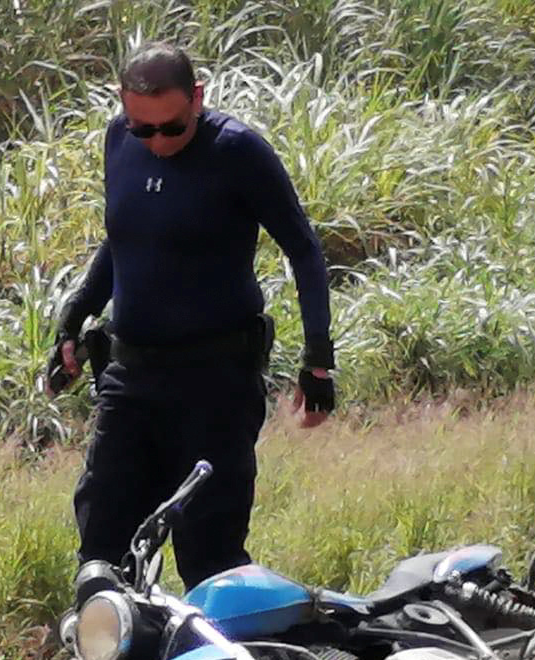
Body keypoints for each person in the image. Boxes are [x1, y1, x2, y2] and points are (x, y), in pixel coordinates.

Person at [50, 42, 336, 592]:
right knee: (105, 544)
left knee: (209, 553)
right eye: (143, 129)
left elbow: (303, 249)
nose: (157, 142)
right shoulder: (118, 142)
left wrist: (317, 361)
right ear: (123, 108)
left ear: (198, 98)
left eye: (172, 128)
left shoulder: (238, 152)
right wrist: (75, 314)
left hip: (216, 382)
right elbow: (125, 240)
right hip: (130, 377)